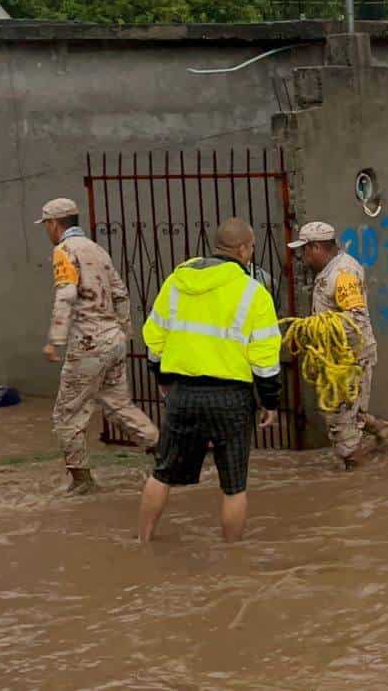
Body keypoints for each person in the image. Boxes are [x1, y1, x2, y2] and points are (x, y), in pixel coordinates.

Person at [137, 217, 282, 542]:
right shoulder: (253, 293)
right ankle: (232, 559)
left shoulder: (176, 283)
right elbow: (265, 358)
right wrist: (270, 402)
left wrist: (161, 378)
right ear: (243, 249)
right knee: (234, 486)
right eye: (252, 247)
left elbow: (154, 338)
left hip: (183, 393)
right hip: (231, 398)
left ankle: (142, 543)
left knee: (162, 473)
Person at [37, 197, 159, 495]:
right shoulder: (97, 250)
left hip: (87, 343)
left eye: (46, 225)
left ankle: (81, 481)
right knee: (118, 404)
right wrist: (123, 331)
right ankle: (163, 452)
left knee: (66, 414)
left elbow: (65, 294)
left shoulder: (63, 251)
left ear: (54, 224)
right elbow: (120, 292)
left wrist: (55, 340)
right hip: (112, 340)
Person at [287, 221, 388, 468]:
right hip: (338, 359)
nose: (302, 258)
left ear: (315, 247)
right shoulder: (330, 270)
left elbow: (357, 318)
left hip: (351, 360)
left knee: (342, 432)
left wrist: (315, 326)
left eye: (303, 251)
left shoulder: (343, 273)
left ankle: (357, 485)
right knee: (350, 416)